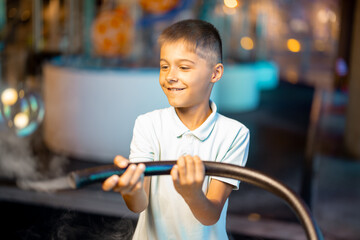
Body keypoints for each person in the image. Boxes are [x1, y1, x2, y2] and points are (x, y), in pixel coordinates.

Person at [102, 19, 250, 239]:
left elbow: (210, 216)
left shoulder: (234, 134)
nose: (170, 76)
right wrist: (131, 191)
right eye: (164, 66)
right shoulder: (148, 124)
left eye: (183, 67)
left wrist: (192, 194)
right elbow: (138, 205)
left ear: (215, 73)